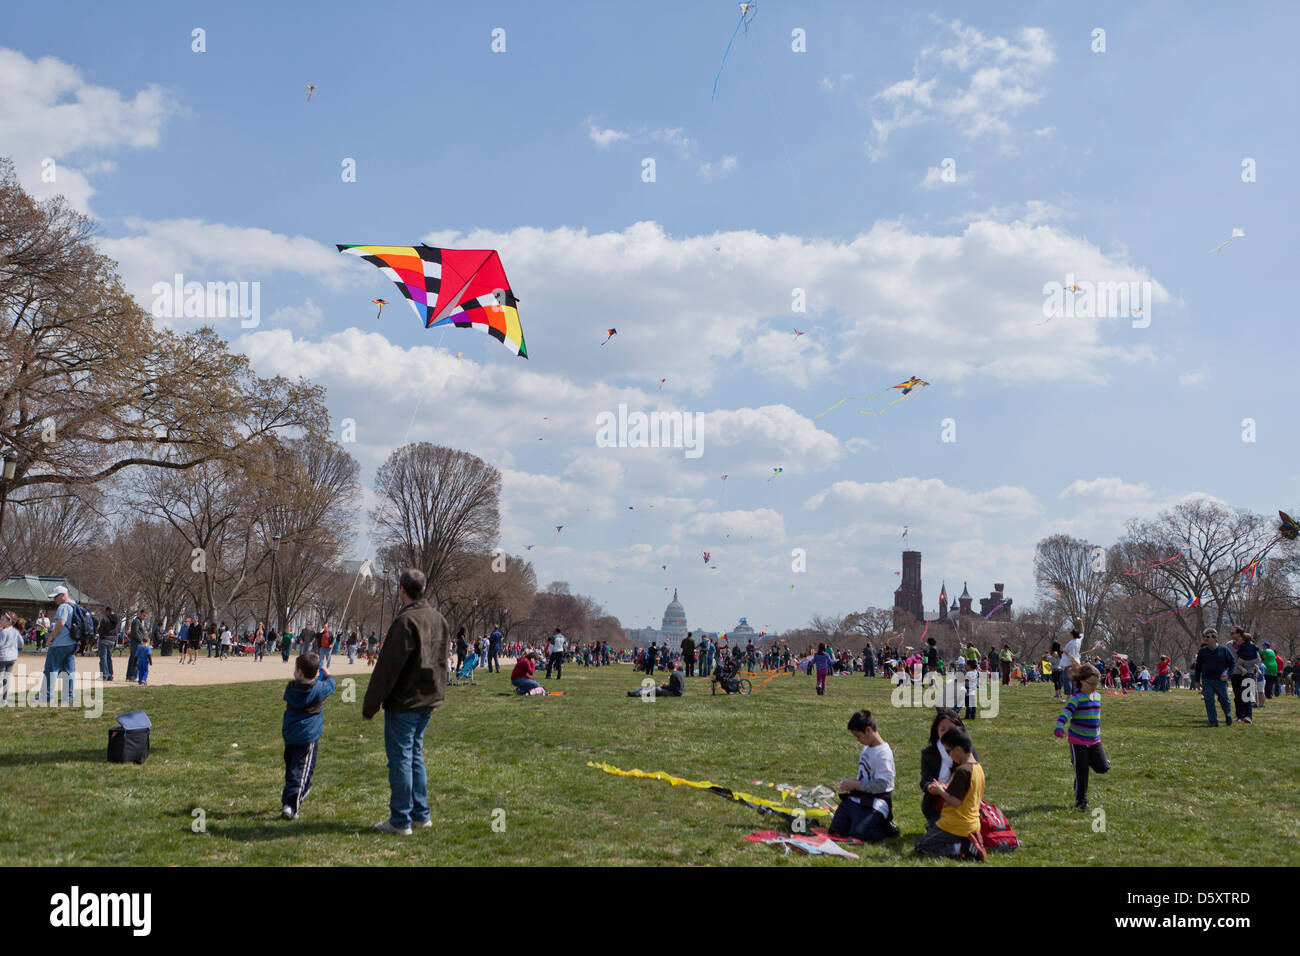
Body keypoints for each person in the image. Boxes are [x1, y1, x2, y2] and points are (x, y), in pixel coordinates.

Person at [361, 569, 449, 836]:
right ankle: (420, 815)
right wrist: (438, 696)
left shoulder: (406, 621)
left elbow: (387, 668)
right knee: (414, 756)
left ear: (402, 589)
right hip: (426, 700)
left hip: (405, 702)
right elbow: (443, 663)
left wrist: (370, 705)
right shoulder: (439, 619)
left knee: (401, 758)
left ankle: (401, 819)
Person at [281, 652, 337, 820]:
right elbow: (332, 684)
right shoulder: (320, 689)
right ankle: (291, 805)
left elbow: (308, 687)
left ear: (299, 673)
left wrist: (316, 677)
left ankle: (299, 791)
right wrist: (326, 673)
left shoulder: (291, 688)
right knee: (300, 772)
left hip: (290, 735)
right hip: (306, 738)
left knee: (294, 769)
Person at [914, 727, 984, 860]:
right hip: (973, 823)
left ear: (958, 749)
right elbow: (966, 796)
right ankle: (964, 842)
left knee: (921, 846)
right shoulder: (978, 768)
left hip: (956, 825)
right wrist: (944, 787)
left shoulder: (962, 771)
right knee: (931, 831)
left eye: (948, 751)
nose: (949, 754)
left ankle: (962, 848)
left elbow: (956, 801)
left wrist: (940, 791)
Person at [829, 710, 898, 842]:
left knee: (859, 834)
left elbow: (882, 785)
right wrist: (851, 784)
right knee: (837, 828)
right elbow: (864, 776)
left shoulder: (884, 753)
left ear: (868, 730)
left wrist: (856, 784)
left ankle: (885, 827)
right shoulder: (866, 748)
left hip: (876, 802)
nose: (858, 740)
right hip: (858, 799)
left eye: (858, 736)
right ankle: (859, 822)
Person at [1054, 663, 1109, 810]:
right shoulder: (1076, 698)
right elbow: (1066, 713)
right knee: (1082, 772)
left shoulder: (1097, 696)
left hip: (1094, 740)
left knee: (1103, 767)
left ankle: (1086, 762)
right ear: (1082, 681)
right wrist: (1060, 725)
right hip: (1077, 740)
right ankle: (1081, 802)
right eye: (1091, 684)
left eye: (1096, 684)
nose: (1094, 687)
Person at [919, 709, 977, 826]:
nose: (946, 733)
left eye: (951, 729)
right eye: (942, 729)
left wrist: (949, 786)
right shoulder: (928, 753)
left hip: (962, 805)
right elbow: (925, 780)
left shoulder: (967, 752)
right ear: (936, 732)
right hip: (936, 805)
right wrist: (931, 786)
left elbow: (971, 779)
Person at [39, 586, 85, 704]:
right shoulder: (75, 606)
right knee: (69, 671)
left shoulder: (63, 606)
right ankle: (68, 697)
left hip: (60, 643)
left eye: (56, 597)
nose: (54, 599)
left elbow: (61, 622)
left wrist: (52, 636)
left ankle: (47, 697)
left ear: (63, 595)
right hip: (72, 643)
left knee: (51, 669)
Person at [1193, 629, 1234, 727]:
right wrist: (1197, 681)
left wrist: (1228, 675)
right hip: (1207, 680)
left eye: (1208, 637)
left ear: (1215, 639)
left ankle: (1227, 714)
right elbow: (1198, 667)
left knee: (1224, 700)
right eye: (1205, 637)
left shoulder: (1224, 650)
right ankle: (1213, 721)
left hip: (1220, 680)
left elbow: (1232, 663)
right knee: (1209, 700)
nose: (1205, 639)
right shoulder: (1202, 651)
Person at [0, 610, 23, 704]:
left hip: (2, 657)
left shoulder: (2, 632)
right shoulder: (16, 631)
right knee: (7, 678)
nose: (0, 621)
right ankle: (4, 699)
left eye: (2, 619)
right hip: (12, 657)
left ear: (9, 621)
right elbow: (21, 643)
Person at [95, 606, 119, 681]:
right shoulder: (117, 619)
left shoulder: (105, 619)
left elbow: (100, 630)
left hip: (104, 639)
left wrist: (98, 629)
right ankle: (110, 675)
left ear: (107, 611)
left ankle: (104, 675)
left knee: (103, 658)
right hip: (112, 640)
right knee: (109, 658)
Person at [125, 609, 147, 681]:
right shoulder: (136, 621)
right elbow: (135, 632)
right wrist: (141, 640)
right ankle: (133, 676)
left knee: (133, 659)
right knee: (135, 660)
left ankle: (129, 676)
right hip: (136, 643)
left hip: (137, 643)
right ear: (140, 614)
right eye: (143, 615)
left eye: (145, 616)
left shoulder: (139, 622)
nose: (144, 617)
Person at [1060, 630, 1083, 696]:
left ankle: (1069, 698)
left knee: (1068, 681)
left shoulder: (1072, 643)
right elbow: (1083, 631)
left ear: (1073, 634)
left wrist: (1063, 650)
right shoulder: (1079, 640)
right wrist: (1081, 622)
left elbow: (1070, 656)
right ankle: (1074, 697)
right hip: (1075, 664)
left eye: (1070, 633)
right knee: (1074, 681)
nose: (1069, 634)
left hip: (1071, 664)